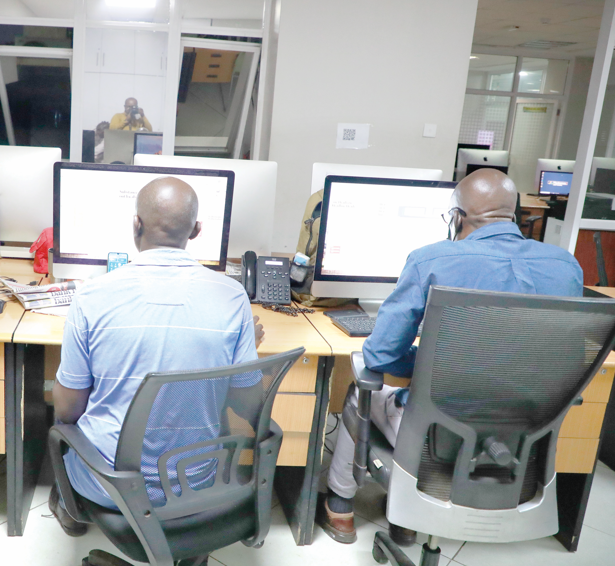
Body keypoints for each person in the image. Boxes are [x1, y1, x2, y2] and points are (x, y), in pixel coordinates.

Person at [317, 168, 583, 546]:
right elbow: (566, 361)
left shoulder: (431, 260)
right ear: (515, 213)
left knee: (361, 391)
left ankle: (341, 507)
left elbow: (380, 354)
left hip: (438, 438)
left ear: (457, 217)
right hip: (519, 441)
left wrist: (433, 364)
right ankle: (404, 519)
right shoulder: (565, 267)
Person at [49, 176, 264, 543]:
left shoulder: (92, 296)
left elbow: (68, 410)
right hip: (196, 482)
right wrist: (240, 352)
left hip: (112, 485)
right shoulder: (232, 298)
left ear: (136, 224)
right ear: (196, 231)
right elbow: (248, 404)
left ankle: (70, 510)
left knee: (60, 426)